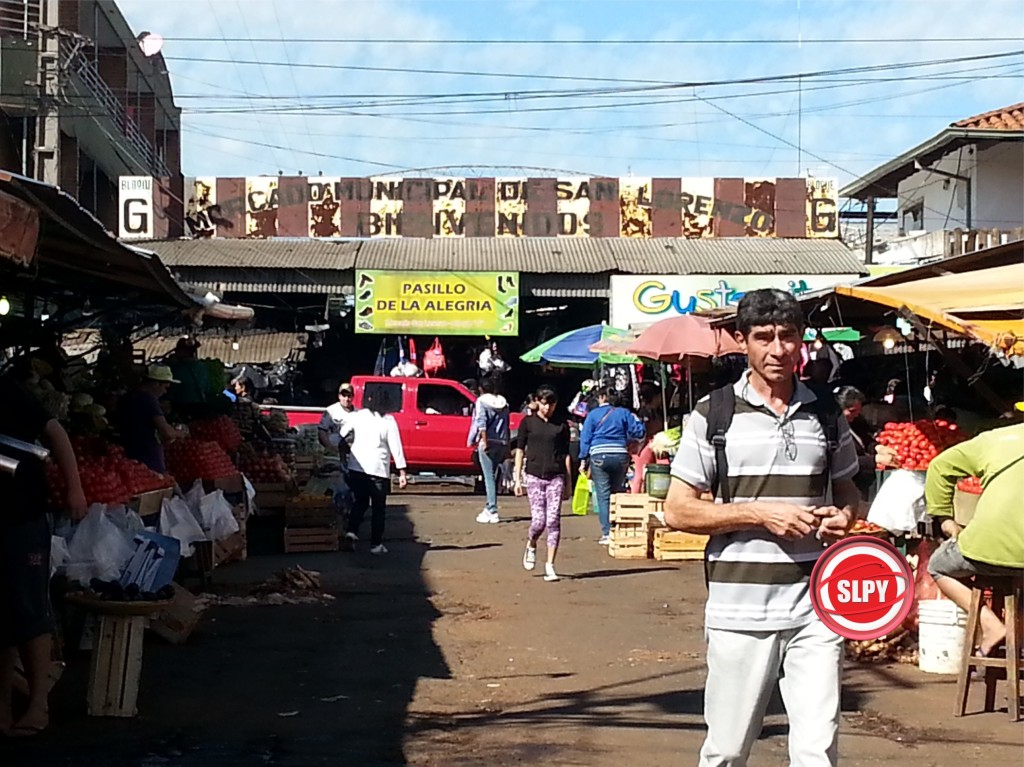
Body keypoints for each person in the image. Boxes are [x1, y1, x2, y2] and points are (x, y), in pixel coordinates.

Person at [663, 288, 861, 767]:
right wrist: (758, 513)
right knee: (728, 750)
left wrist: (845, 516)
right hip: (739, 611)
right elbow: (678, 511)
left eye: (788, 337)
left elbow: (848, 489)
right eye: (764, 337)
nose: (778, 350)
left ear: (801, 341)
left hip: (818, 607)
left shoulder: (827, 414)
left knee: (817, 751)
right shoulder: (714, 415)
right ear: (741, 341)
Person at [1, 372, 87, 738]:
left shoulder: (6, 391)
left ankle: (39, 705)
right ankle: (2, 709)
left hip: (21, 515)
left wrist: (75, 489)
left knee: (28, 610)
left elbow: (55, 432)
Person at [925, 421, 1024, 656]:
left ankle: (990, 626)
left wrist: (945, 519)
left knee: (938, 566)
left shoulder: (996, 438)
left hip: (988, 547)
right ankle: (1017, 636)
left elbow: (939, 466)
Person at [340, 387, 409, 555]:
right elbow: (396, 447)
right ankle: (376, 544)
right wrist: (402, 472)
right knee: (378, 509)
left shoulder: (357, 416)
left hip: (356, 468)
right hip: (378, 470)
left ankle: (351, 531)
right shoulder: (388, 421)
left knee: (360, 502)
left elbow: (342, 434)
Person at [514, 385, 571, 582]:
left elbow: (566, 455)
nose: (547, 408)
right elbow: (520, 450)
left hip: (556, 476)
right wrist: (517, 478)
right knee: (539, 521)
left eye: (551, 404)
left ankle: (550, 565)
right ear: (537, 402)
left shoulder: (562, 425)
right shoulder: (527, 423)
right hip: (534, 475)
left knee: (553, 520)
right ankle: (531, 543)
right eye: (544, 403)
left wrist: (568, 482)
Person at [579, 387, 646, 544]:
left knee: (603, 495)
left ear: (602, 397)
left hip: (598, 456)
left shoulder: (593, 415)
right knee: (618, 493)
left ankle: (607, 533)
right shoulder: (624, 413)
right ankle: (619, 528)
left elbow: (585, 438)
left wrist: (583, 458)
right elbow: (639, 432)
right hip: (620, 456)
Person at [114, 365, 182, 473]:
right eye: (165, 387)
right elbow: (167, 433)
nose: (165, 392)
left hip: (129, 451)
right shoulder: (149, 399)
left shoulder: (128, 396)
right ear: (155, 384)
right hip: (147, 455)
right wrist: (180, 433)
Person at [468, 375, 511, 525]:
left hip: (488, 442)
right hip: (501, 442)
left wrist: (483, 441)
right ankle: (489, 507)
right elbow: (506, 424)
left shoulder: (481, 402)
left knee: (489, 477)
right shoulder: (504, 403)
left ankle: (492, 509)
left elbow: (481, 423)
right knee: (492, 476)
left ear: (481, 389)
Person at [835, 386, 876, 499]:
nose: (856, 414)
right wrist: (874, 460)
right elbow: (844, 461)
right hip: (850, 486)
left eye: (858, 411)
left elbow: (865, 440)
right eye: (852, 411)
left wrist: (877, 448)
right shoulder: (834, 431)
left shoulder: (856, 423)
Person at [167, 338, 210, 414]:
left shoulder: (177, 368)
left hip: (180, 406)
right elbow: (207, 387)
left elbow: (172, 389)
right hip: (200, 404)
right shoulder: (203, 367)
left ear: (183, 352)